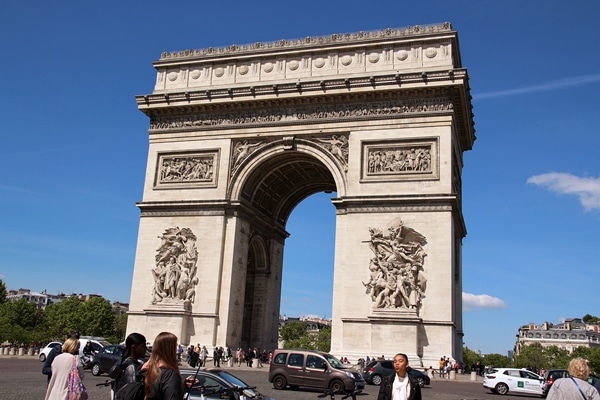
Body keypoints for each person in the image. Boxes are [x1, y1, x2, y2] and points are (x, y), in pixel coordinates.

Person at [144, 332, 197, 400]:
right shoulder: (170, 374)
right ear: (169, 350)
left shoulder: (146, 368)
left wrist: (181, 384)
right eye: (175, 346)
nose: (177, 350)